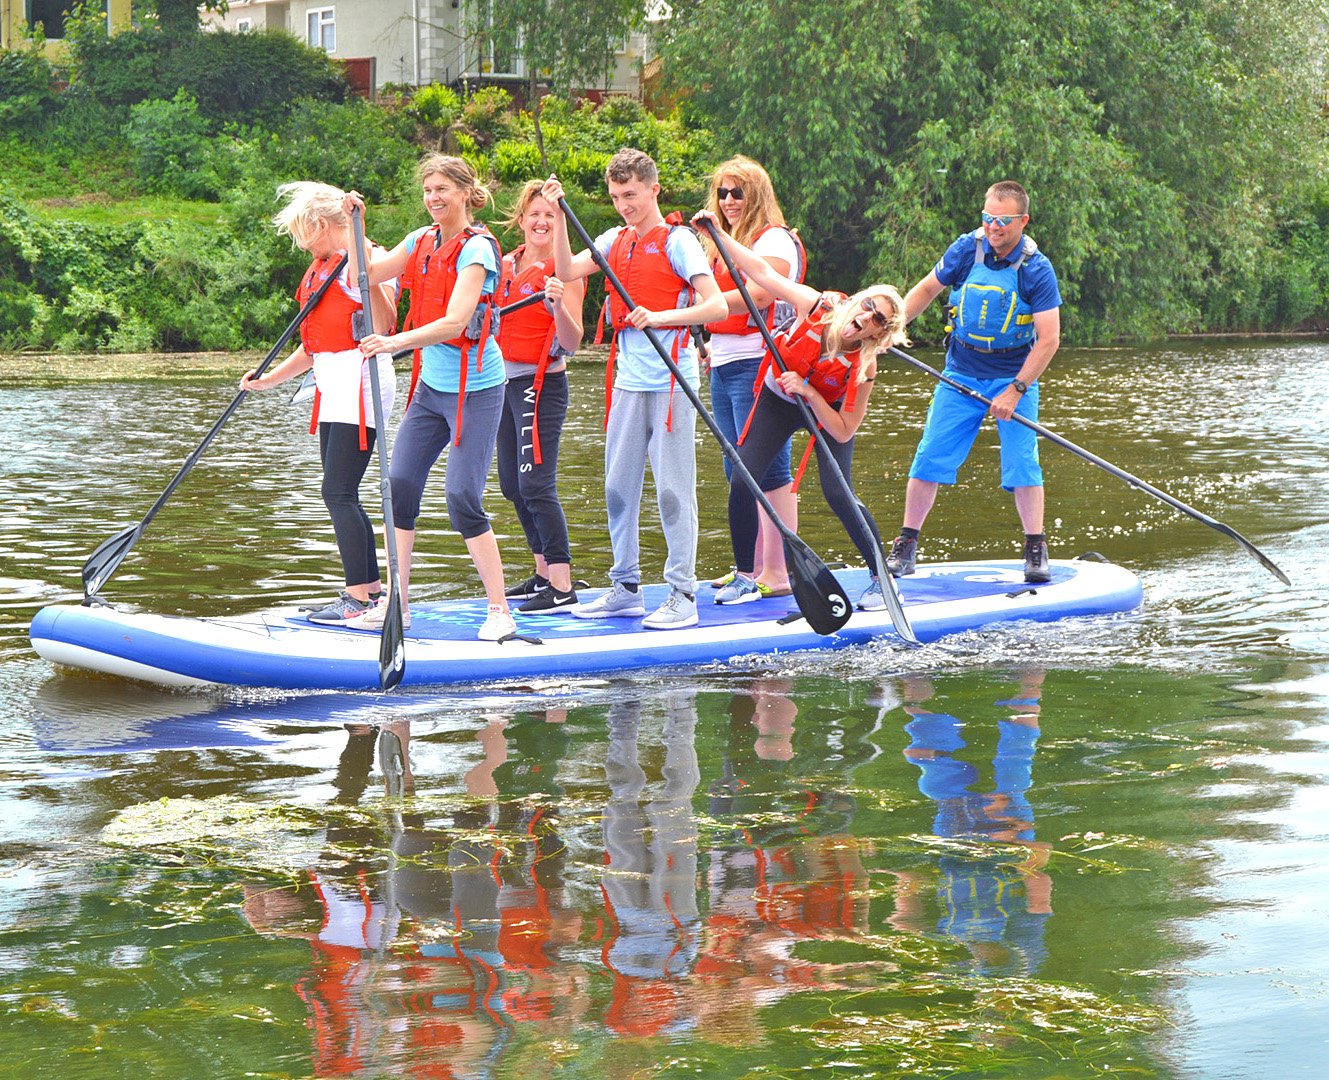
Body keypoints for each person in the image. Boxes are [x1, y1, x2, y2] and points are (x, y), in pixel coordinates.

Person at [540, 152, 727, 631]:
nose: (624, 205)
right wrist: (560, 215)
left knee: (671, 491)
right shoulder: (613, 240)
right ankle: (625, 588)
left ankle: (683, 593)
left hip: (672, 383)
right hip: (627, 382)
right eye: (617, 197)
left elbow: (716, 308)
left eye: (631, 195)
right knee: (617, 488)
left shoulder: (680, 242)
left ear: (653, 191)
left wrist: (661, 317)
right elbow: (564, 270)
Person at [693, 209, 909, 612]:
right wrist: (719, 234)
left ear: (880, 333)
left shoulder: (865, 366)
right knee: (744, 478)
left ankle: (882, 579)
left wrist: (810, 391)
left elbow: (844, 429)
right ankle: (745, 576)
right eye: (866, 306)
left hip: (821, 411)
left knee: (838, 493)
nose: (863, 318)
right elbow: (763, 273)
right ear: (858, 301)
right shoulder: (816, 305)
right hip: (779, 399)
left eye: (876, 320)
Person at [344, 154, 515, 641]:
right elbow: (366, 275)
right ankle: (398, 602)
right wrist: (355, 224)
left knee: (462, 497)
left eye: (442, 189)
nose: (434, 198)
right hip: (430, 390)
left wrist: (393, 342)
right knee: (398, 487)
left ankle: (499, 610)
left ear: (464, 192)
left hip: (476, 389)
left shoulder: (477, 250)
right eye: (428, 190)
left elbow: (457, 321)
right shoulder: (420, 240)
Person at [239, 181, 398, 625]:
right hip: (332, 384)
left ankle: (359, 599)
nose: (300, 242)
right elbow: (313, 346)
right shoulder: (320, 268)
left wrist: (366, 268)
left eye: (303, 233)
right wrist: (268, 379)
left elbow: (384, 323)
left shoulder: (362, 262)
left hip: (361, 381)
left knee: (338, 491)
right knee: (339, 492)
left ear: (323, 225)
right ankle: (367, 591)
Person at [888, 180, 1062, 582]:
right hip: (961, 373)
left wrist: (1015, 390)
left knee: (1023, 463)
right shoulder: (967, 248)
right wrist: (891, 328)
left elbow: (1049, 339)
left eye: (1002, 220)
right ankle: (906, 544)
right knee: (929, 456)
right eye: (987, 218)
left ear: (1023, 220)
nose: (993, 227)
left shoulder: (1037, 268)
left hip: (1013, 376)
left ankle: (1035, 546)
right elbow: (928, 289)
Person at [697, 156, 803, 599]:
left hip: (759, 364)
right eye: (722, 193)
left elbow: (761, 292)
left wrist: (704, 308)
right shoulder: (726, 241)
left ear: (755, 195)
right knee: (738, 469)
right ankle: (755, 564)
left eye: (737, 193)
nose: (727, 201)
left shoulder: (773, 238)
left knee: (769, 470)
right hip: (724, 362)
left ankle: (778, 572)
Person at [494, 180, 586, 614]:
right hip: (500, 384)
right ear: (521, 218)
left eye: (551, 215)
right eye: (535, 213)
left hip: (541, 383)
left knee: (535, 483)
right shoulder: (505, 264)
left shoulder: (565, 272)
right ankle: (543, 573)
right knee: (513, 485)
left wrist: (557, 307)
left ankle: (563, 585)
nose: (542, 221)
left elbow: (572, 342)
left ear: (560, 223)